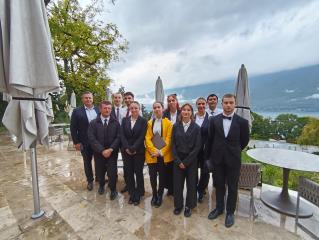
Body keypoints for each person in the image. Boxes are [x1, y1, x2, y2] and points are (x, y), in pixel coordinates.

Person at [206, 93, 249, 228]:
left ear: (234, 104)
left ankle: (230, 212)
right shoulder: (214, 120)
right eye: (226, 103)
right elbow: (210, 139)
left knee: (232, 187)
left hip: (233, 160)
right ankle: (219, 208)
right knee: (219, 185)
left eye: (231, 103)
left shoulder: (243, 122)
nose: (228, 105)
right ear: (222, 104)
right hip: (218, 159)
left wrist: (233, 151)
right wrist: (209, 158)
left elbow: (244, 141)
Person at [172, 103, 201, 217]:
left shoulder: (197, 128)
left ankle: (189, 205)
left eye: (189, 110)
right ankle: (178, 205)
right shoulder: (175, 126)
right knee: (178, 184)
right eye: (184, 110)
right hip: (178, 161)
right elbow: (172, 145)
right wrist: (178, 161)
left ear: (191, 113)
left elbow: (197, 147)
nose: (186, 112)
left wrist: (186, 162)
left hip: (191, 161)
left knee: (191, 184)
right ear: (181, 112)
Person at [88, 101, 121, 200]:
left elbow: (119, 137)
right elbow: (91, 138)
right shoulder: (93, 123)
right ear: (100, 109)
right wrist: (102, 150)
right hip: (99, 153)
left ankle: (113, 189)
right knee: (100, 171)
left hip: (112, 152)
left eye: (109, 108)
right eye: (105, 108)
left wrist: (111, 149)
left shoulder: (116, 122)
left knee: (112, 172)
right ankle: (101, 185)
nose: (107, 110)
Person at [145, 101, 173, 207]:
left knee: (162, 177)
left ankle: (160, 195)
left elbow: (169, 139)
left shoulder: (168, 123)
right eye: (155, 107)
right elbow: (147, 138)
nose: (157, 109)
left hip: (163, 155)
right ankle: (154, 194)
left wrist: (160, 152)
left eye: (158, 107)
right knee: (152, 177)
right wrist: (154, 151)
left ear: (163, 108)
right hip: (152, 155)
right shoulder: (149, 123)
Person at [70, 91, 99, 191]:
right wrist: (76, 142)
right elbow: (73, 128)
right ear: (82, 99)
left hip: (98, 142)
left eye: (90, 98)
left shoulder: (98, 109)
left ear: (92, 99)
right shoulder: (77, 111)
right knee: (87, 162)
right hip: (84, 142)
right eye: (86, 98)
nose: (88, 99)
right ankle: (90, 181)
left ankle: (99, 178)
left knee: (99, 161)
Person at [120, 101, 147, 205]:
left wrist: (134, 148)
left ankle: (139, 193)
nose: (134, 110)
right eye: (132, 108)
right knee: (129, 172)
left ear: (139, 109)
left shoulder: (143, 121)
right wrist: (127, 148)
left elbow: (142, 136)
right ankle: (132, 193)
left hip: (138, 151)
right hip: (126, 151)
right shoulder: (124, 120)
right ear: (129, 109)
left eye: (136, 108)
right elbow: (122, 135)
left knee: (138, 172)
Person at [162, 93, 181, 196]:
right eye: (169, 101)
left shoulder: (182, 112)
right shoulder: (164, 114)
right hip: (166, 145)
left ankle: (177, 188)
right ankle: (169, 188)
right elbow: (158, 130)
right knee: (167, 169)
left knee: (176, 169)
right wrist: (161, 147)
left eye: (173, 100)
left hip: (179, 145)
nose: (171, 102)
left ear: (176, 101)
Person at [194, 97, 210, 203]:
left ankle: (201, 189)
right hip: (193, 150)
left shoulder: (211, 119)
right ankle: (194, 188)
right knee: (193, 171)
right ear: (196, 105)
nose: (201, 106)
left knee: (205, 171)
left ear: (206, 105)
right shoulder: (192, 117)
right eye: (199, 104)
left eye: (203, 104)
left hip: (205, 150)